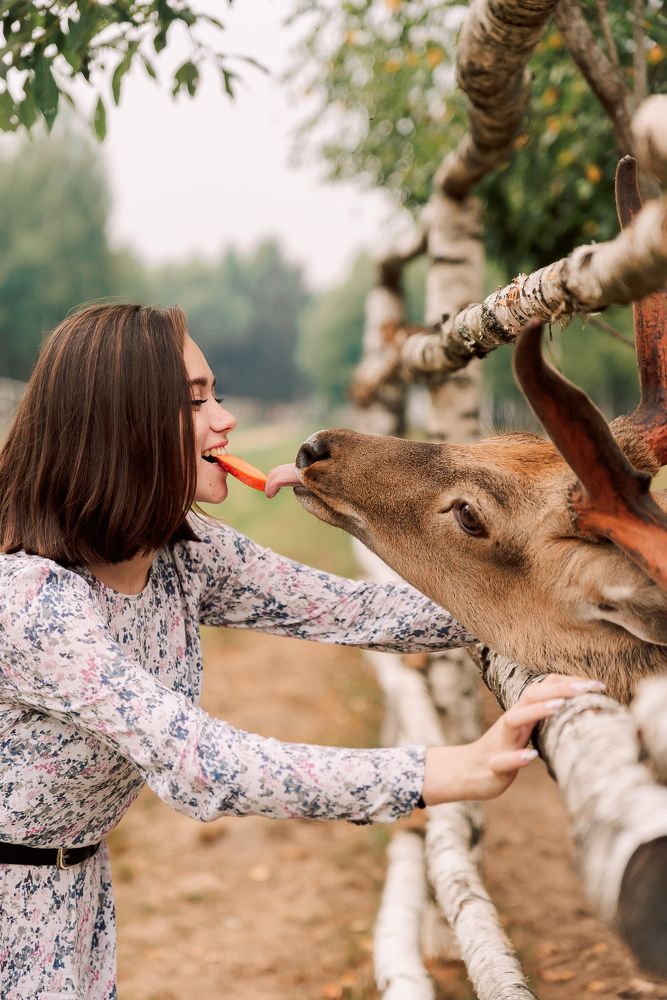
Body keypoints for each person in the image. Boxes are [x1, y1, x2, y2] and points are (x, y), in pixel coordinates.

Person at [0, 303, 601, 1000]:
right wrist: (451, 769)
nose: (223, 420)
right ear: (123, 424)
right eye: (196, 402)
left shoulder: (179, 552)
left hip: (76, 893)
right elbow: (205, 765)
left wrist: (548, 596)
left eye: (216, 395)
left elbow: (358, 611)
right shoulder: (33, 604)